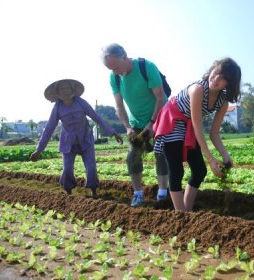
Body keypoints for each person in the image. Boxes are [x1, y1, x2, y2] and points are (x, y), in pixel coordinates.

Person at [153, 58, 241, 211]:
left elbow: (214, 133)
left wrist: (225, 156)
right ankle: (181, 215)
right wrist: (210, 158)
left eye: (224, 78)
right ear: (212, 69)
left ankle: (187, 210)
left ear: (229, 84)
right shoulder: (198, 89)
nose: (217, 79)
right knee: (176, 170)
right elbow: (197, 124)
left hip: (188, 123)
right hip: (173, 118)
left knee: (200, 170)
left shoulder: (223, 102)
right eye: (217, 72)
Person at [101, 43, 169, 207]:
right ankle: (138, 193)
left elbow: (160, 98)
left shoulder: (147, 67)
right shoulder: (115, 77)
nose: (115, 72)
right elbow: (119, 105)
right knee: (132, 157)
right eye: (111, 69)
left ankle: (162, 193)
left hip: (160, 117)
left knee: (161, 154)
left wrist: (152, 123)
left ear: (124, 56)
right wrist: (128, 127)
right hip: (137, 122)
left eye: (116, 67)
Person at [30, 79, 123, 197]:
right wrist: (39, 150)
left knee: (91, 168)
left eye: (68, 88)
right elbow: (49, 129)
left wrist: (113, 133)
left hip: (85, 140)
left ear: (72, 90)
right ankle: (69, 192)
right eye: (62, 89)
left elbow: (97, 117)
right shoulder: (57, 108)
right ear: (58, 93)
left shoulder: (81, 103)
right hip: (68, 143)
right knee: (67, 169)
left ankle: (93, 190)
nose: (65, 91)